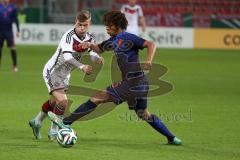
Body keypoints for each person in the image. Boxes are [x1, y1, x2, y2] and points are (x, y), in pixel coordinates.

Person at [48, 11, 182, 145]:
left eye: (109, 25)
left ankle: (66, 123)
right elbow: (99, 49)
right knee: (144, 114)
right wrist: (90, 45)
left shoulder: (128, 37)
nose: (106, 28)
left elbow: (151, 44)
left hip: (132, 84)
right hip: (140, 84)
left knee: (97, 98)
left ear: (117, 25)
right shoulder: (113, 40)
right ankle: (172, 138)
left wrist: (149, 61)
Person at [29, 10, 104, 140]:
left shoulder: (90, 38)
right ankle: (54, 131)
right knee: (63, 103)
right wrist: (82, 67)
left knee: (54, 102)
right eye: (79, 24)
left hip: (65, 74)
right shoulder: (68, 36)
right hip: (53, 71)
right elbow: (68, 57)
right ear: (75, 22)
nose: (81, 28)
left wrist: (97, 58)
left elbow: (92, 53)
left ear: (89, 24)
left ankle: (36, 121)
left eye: (85, 25)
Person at [0, 0, 20, 72]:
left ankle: (14, 65)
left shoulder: (12, 7)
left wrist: (18, 30)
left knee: (13, 48)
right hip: (0, 31)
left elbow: (16, 19)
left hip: (8, 31)